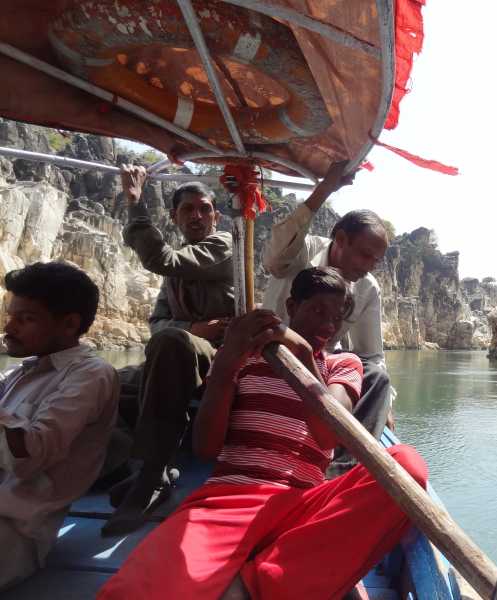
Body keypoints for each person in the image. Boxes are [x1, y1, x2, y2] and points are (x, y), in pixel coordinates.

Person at [97, 267, 427, 600]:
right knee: (130, 594)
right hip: (230, 499)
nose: (328, 326)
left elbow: (328, 436)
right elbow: (207, 447)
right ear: (291, 305)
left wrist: (302, 356)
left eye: (337, 317)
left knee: (407, 467)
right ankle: (282, 575)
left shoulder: (342, 365)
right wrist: (227, 360)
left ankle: (256, 584)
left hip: (303, 505)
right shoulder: (246, 357)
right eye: (317, 311)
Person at [103, 165, 235, 535]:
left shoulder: (223, 245)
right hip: (177, 352)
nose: (197, 216)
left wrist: (134, 200)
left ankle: (153, 474)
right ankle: (115, 463)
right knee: (102, 380)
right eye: (187, 210)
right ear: (174, 217)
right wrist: (190, 328)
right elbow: (157, 323)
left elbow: (162, 260)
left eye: (204, 208)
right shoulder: (176, 275)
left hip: (222, 359)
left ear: (216, 215)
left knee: (172, 342)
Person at [262, 162, 392, 476]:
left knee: (377, 377)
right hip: (268, 354)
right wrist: (324, 190)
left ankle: (340, 468)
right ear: (341, 239)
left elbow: (372, 354)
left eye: (376, 260)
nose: (369, 266)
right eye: (364, 255)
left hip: (318, 368)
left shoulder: (367, 288)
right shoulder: (302, 252)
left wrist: (388, 404)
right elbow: (273, 259)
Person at [0, 262, 118, 591]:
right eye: (11, 316)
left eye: (25, 319)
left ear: (68, 325)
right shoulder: (21, 374)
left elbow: (28, 459)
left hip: (14, 530)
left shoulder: (90, 375)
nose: (9, 327)